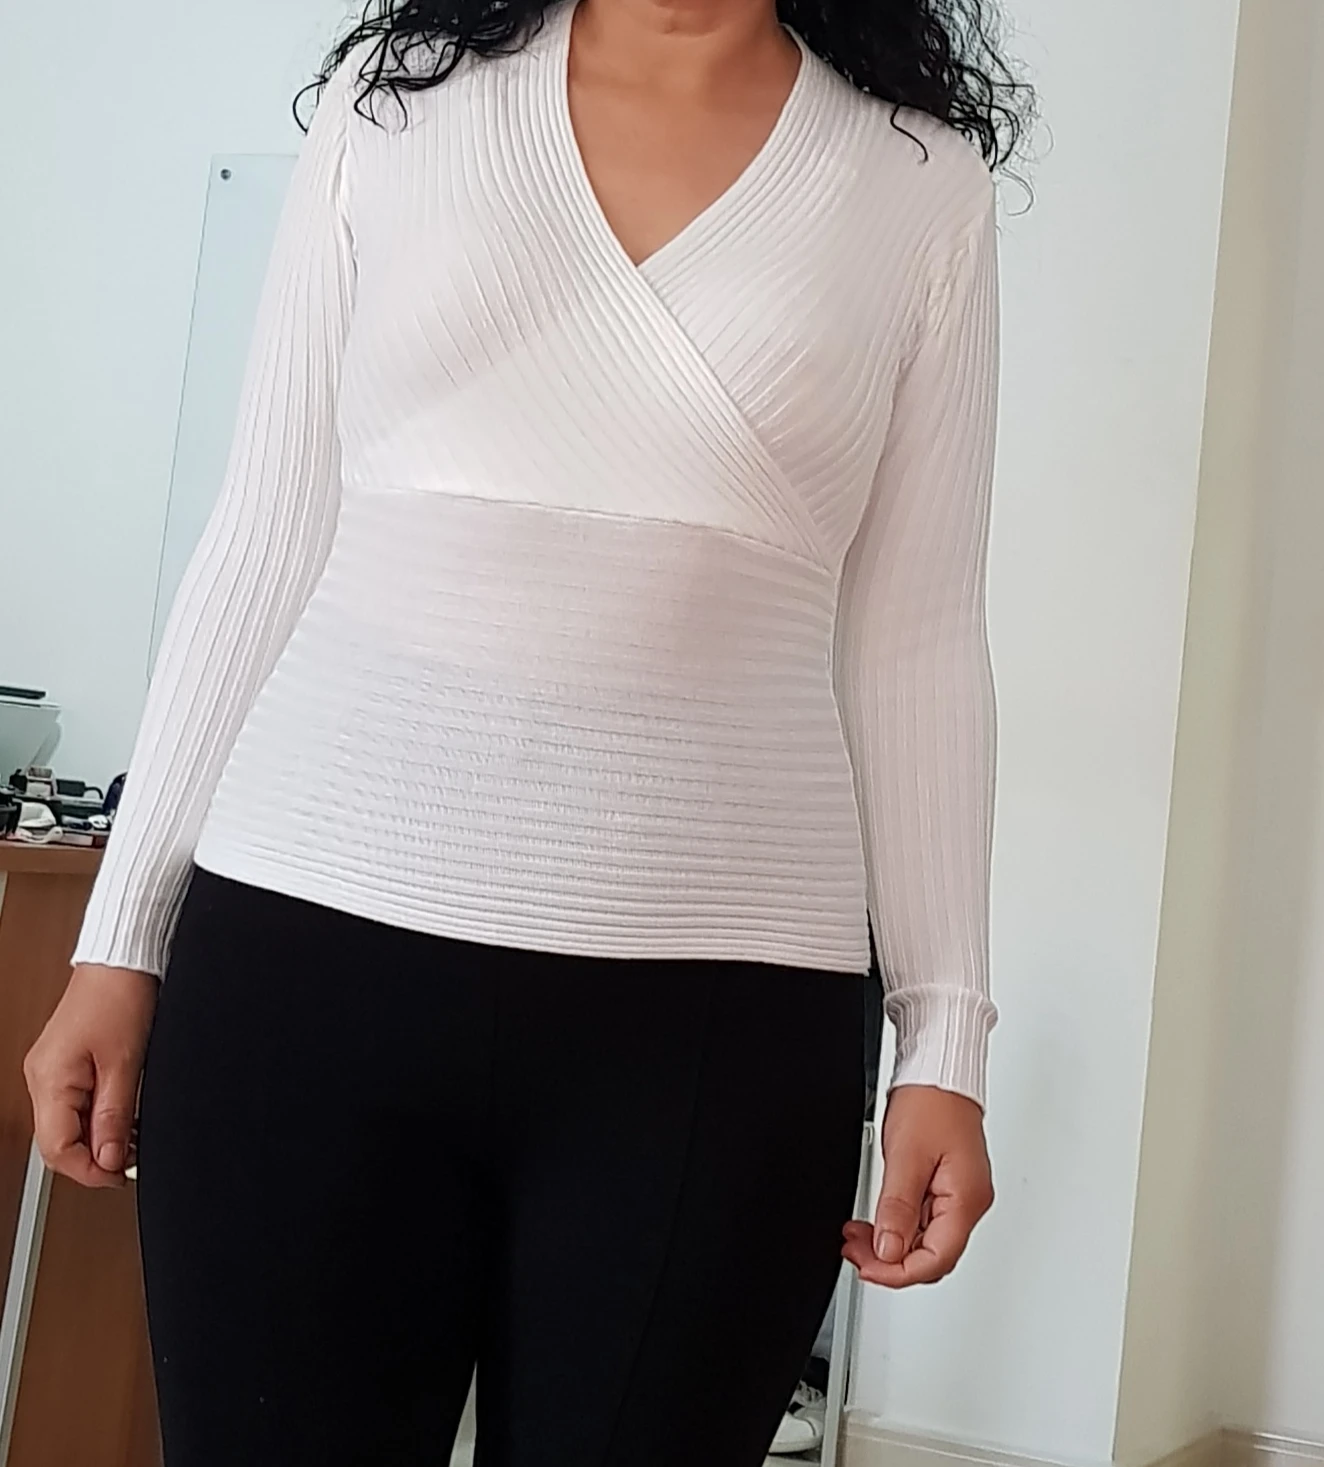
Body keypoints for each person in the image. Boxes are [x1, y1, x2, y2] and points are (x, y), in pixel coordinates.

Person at [24, 0, 1030, 1461]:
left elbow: (920, 634)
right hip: (304, 962)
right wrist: (121, 937)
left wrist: (947, 1034)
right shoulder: (403, 106)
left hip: (717, 1017)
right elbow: (262, 534)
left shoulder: (915, 184)